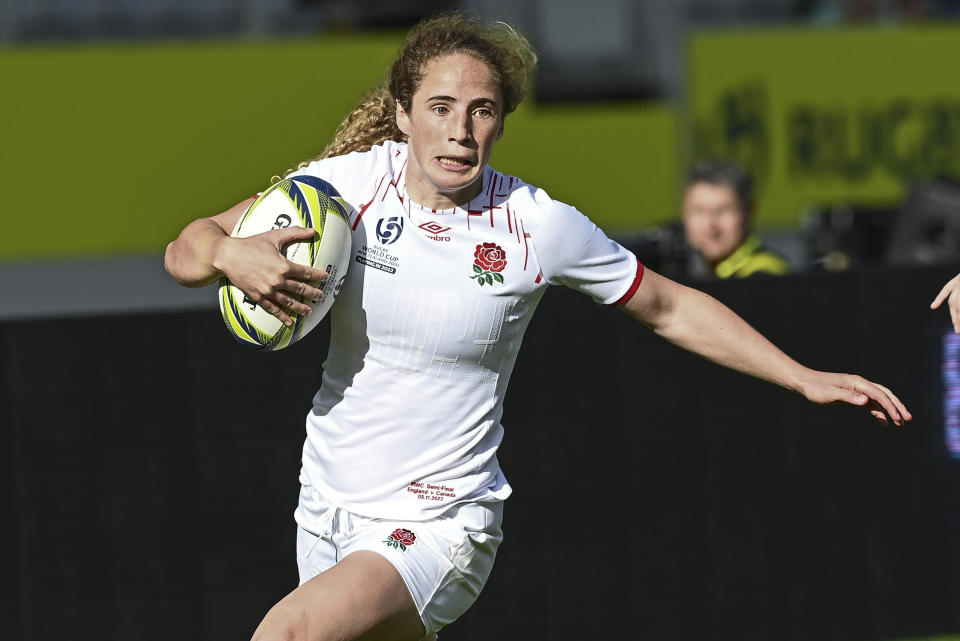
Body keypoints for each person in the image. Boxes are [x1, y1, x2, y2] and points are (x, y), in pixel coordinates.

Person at [164, 13, 910, 641]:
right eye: (441, 106)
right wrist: (231, 253)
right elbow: (185, 247)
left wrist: (802, 376)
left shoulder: (536, 225)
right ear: (402, 111)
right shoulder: (350, 185)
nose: (460, 130)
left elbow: (670, 305)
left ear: (501, 120)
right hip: (325, 498)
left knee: (285, 633)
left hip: (441, 520)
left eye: (482, 110)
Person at [681, 158, 790, 279]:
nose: (710, 225)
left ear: (749, 212)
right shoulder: (699, 271)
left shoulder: (766, 275)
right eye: (699, 211)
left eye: (722, 211)